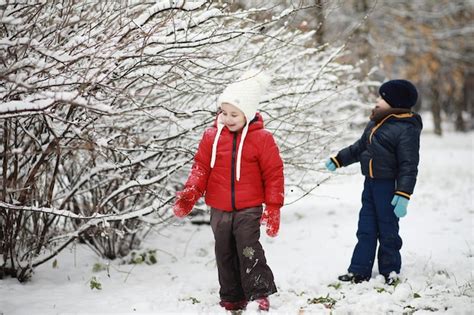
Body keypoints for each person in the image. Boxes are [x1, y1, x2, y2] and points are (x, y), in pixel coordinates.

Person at [172, 70, 284, 311]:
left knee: (248, 247)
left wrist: (273, 207)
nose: (228, 118)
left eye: (234, 114)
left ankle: (259, 292)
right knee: (224, 251)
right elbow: (201, 167)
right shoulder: (211, 137)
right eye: (224, 112)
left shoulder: (262, 139)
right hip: (219, 207)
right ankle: (232, 297)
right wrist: (191, 193)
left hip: (249, 207)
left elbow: (274, 173)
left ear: (249, 113)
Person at [325, 79, 422, 285]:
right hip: (369, 185)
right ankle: (359, 270)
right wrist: (339, 159)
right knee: (366, 228)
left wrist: (403, 194)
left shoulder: (405, 129)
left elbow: (408, 164)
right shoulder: (376, 123)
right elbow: (359, 147)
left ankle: (390, 271)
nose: (377, 100)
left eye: (382, 97)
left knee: (388, 230)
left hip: (388, 187)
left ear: (395, 103)